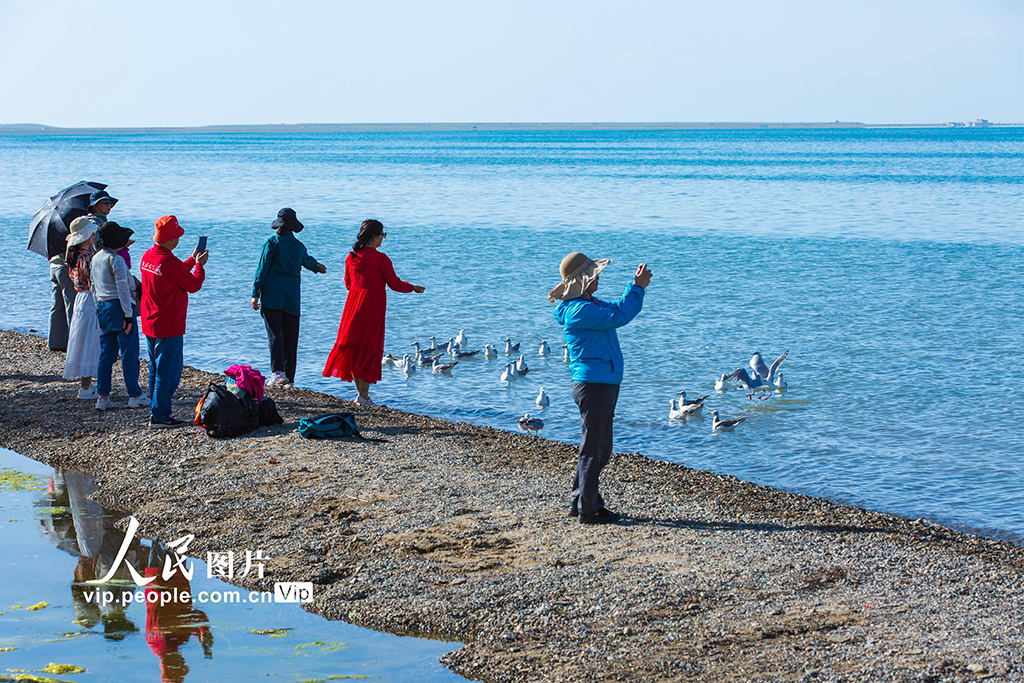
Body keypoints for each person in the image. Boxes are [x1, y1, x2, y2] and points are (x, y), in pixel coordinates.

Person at [550, 252, 652, 525]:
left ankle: (579, 499)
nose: (598, 278)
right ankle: (589, 508)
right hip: (594, 384)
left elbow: (617, 308)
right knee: (596, 448)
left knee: (597, 446)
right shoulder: (581, 310)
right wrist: (639, 287)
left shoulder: (587, 304)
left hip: (598, 382)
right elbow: (620, 315)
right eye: (594, 274)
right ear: (584, 280)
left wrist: (634, 287)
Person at [322, 219, 425, 405]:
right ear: (374, 237)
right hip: (372, 306)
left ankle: (361, 396)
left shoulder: (351, 258)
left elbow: (347, 284)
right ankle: (364, 396)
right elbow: (394, 284)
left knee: (354, 348)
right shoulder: (380, 258)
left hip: (352, 306)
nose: (383, 239)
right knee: (369, 348)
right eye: (382, 235)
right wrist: (413, 287)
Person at [140, 216, 208, 429]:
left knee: (155, 368)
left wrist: (191, 260)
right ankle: (160, 415)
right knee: (168, 372)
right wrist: (199, 266)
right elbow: (193, 285)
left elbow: (174, 273)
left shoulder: (148, 256)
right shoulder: (167, 262)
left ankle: (156, 410)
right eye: (177, 236)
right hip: (168, 323)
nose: (179, 239)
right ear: (171, 239)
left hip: (151, 320)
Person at [251, 208, 326, 388]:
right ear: (293, 226)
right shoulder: (298, 246)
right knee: (291, 337)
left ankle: (277, 373)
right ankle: (289, 378)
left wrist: (255, 293)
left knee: (274, 334)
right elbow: (307, 261)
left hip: (272, 294)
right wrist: (318, 267)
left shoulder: (272, 243)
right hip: (292, 296)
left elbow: (262, 269)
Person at [91, 221, 147, 411]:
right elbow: (122, 288)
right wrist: (129, 315)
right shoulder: (116, 260)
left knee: (106, 355)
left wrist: (98, 306)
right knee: (129, 354)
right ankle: (134, 395)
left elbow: (93, 287)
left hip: (102, 307)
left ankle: (103, 396)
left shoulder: (95, 258)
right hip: (119, 307)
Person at [62, 217, 102, 399]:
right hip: (90, 299)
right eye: (91, 232)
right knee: (92, 340)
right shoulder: (88, 257)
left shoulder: (73, 256)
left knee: (83, 341)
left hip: (80, 299)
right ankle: (88, 387)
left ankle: (86, 385)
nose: (94, 235)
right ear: (85, 236)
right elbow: (94, 282)